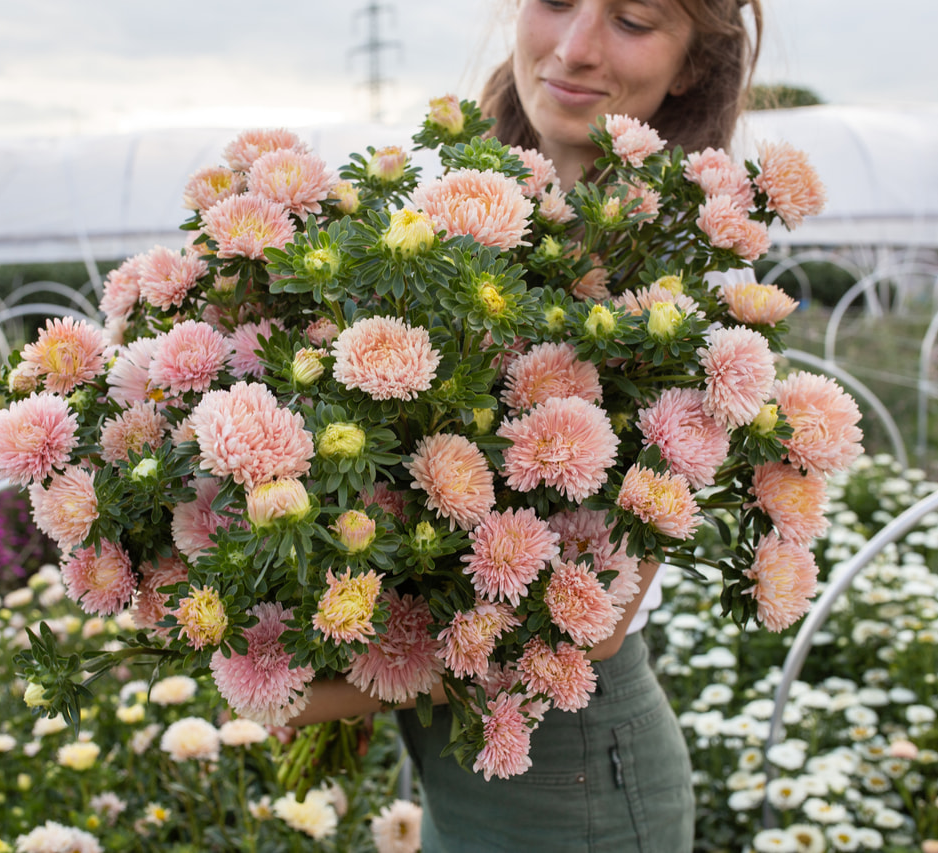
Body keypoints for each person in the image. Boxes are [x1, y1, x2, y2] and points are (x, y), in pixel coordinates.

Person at [293, 1, 763, 849]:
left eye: (632, 19)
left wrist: (292, 681)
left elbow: (588, 625)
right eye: (554, 2)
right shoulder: (441, 228)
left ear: (691, 65)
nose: (575, 48)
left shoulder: (676, 282)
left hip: (572, 787)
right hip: (457, 764)